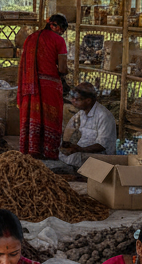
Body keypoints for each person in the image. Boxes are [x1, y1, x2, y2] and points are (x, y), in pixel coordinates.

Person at [17, 14, 69, 158]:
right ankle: (48, 151)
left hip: (30, 86)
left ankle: (31, 149)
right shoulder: (59, 40)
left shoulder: (31, 38)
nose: (62, 32)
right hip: (49, 87)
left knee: (32, 117)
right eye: (62, 29)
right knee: (50, 118)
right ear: (55, 26)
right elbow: (63, 68)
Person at [58, 83, 117, 168]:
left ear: (88, 100)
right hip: (84, 151)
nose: (73, 101)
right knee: (59, 152)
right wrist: (68, 144)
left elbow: (102, 146)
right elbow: (69, 131)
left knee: (74, 157)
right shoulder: (82, 113)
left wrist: (79, 149)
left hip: (101, 156)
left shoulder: (104, 116)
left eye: (77, 99)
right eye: (73, 99)